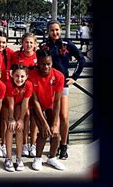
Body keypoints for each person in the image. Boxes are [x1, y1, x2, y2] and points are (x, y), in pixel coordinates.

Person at [39, 20, 86, 160]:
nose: (55, 33)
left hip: (62, 85)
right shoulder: (43, 46)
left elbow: (81, 59)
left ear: (60, 30)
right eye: (52, 30)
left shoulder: (67, 44)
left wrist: (74, 77)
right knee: (52, 118)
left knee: (64, 117)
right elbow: (38, 65)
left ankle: (64, 146)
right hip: (47, 86)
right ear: (48, 31)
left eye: (57, 30)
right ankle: (55, 144)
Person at [28, 49, 66, 171]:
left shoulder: (59, 76)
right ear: (38, 63)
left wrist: (55, 123)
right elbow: (35, 101)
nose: (46, 67)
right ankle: (37, 158)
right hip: (36, 105)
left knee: (56, 133)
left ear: (52, 63)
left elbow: (57, 101)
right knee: (44, 132)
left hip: (50, 104)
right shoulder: (31, 75)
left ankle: (52, 158)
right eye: (43, 64)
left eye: (48, 64)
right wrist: (44, 124)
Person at [10, 32, 38, 157]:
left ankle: (33, 144)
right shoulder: (15, 55)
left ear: (35, 44)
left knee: (35, 117)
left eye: (31, 42)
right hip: (20, 91)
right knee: (24, 116)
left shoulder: (38, 56)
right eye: (26, 42)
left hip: (35, 90)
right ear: (22, 43)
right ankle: (25, 143)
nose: (28, 44)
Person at [4, 65, 33, 172]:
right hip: (7, 106)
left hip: (20, 105)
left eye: (22, 76)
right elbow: (10, 103)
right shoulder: (9, 84)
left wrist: (20, 119)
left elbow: (25, 103)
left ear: (26, 77)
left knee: (20, 128)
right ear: (12, 75)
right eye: (17, 76)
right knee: (10, 128)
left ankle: (19, 158)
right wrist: (11, 119)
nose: (19, 79)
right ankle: (8, 158)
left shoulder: (29, 85)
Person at [0, 31, 15, 158]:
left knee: (5, 118)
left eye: (3, 42)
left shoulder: (10, 53)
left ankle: (4, 143)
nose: (1, 44)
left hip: (7, 88)